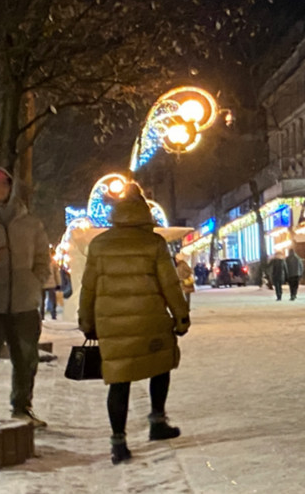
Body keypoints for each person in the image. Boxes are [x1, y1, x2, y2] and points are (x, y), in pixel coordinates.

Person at [80, 186, 189, 464]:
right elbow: (169, 285)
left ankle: (118, 441)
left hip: (112, 325)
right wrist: (180, 315)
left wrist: (86, 321)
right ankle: (157, 421)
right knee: (161, 366)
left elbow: (88, 287)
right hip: (150, 319)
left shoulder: (99, 244)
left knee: (119, 381)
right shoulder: (153, 243)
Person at [0, 166, 51, 428]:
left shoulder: (29, 222)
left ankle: (21, 407)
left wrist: (34, 280)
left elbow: (42, 258)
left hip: (24, 304)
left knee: (26, 359)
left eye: (4, 183)